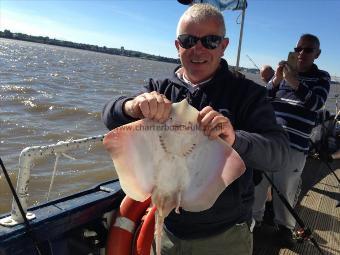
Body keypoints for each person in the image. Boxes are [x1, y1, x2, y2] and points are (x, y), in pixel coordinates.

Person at [102, 4, 289, 255]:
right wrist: (132, 106)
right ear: (177, 45)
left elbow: (278, 154)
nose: (197, 49)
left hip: (224, 235)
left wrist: (235, 139)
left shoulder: (248, 95)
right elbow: (109, 116)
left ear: (223, 45)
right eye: (188, 40)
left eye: (210, 41)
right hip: (170, 228)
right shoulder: (159, 88)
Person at [253, 33, 330, 246]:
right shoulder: (283, 78)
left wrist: (294, 82)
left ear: (317, 54)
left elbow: (315, 103)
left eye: (308, 50)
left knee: (286, 188)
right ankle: (254, 223)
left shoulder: (322, 78)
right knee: (259, 184)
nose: (301, 53)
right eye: (298, 49)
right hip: (269, 141)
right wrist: (276, 80)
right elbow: (265, 99)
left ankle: (284, 229)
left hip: (295, 146)